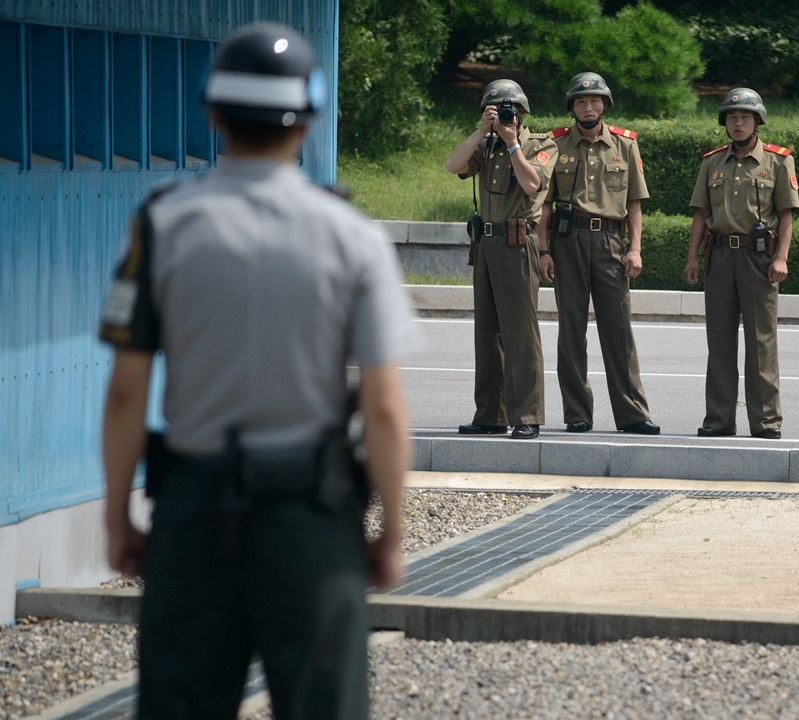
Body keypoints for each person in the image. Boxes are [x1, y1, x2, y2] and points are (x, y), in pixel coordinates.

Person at [98, 23, 412, 719]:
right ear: (311, 117)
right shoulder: (353, 237)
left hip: (193, 513)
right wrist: (390, 530)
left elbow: (126, 392)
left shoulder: (163, 225)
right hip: (312, 519)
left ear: (212, 114)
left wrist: (118, 516)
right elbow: (384, 406)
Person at [540, 71, 660, 435]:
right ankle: (577, 412)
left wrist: (635, 249)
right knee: (571, 329)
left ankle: (632, 413)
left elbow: (635, 204)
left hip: (610, 242)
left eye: (594, 101)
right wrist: (545, 251)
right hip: (568, 241)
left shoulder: (625, 145)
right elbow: (543, 205)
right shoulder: (555, 144)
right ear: (572, 107)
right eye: (580, 102)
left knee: (618, 330)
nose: (588, 107)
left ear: (605, 105)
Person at [683, 88, 799, 439]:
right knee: (719, 340)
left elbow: (786, 214)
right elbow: (701, 215)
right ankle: (718, 419)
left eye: (744, 117)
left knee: (761, 341)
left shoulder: (778, 161)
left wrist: (781, 257)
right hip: (719, 256)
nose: (737, 123)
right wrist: (691, 258)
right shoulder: (712, 162)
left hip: (758, 257)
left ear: (757, 121)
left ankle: (765, 421)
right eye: (732, 118)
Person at [445, 79, 556, 440]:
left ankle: (527, 416)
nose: (506, 116)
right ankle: (491, 414)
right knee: (487, 333)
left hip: (517, 242)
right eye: (497, 110)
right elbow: (453, 165)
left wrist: (512, 144)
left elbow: (531, 184)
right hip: (487, 245)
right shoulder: (487, 144)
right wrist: (482, 131)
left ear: (522, 113)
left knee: (521, 334)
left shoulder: (540, 144)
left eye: (511, 110)